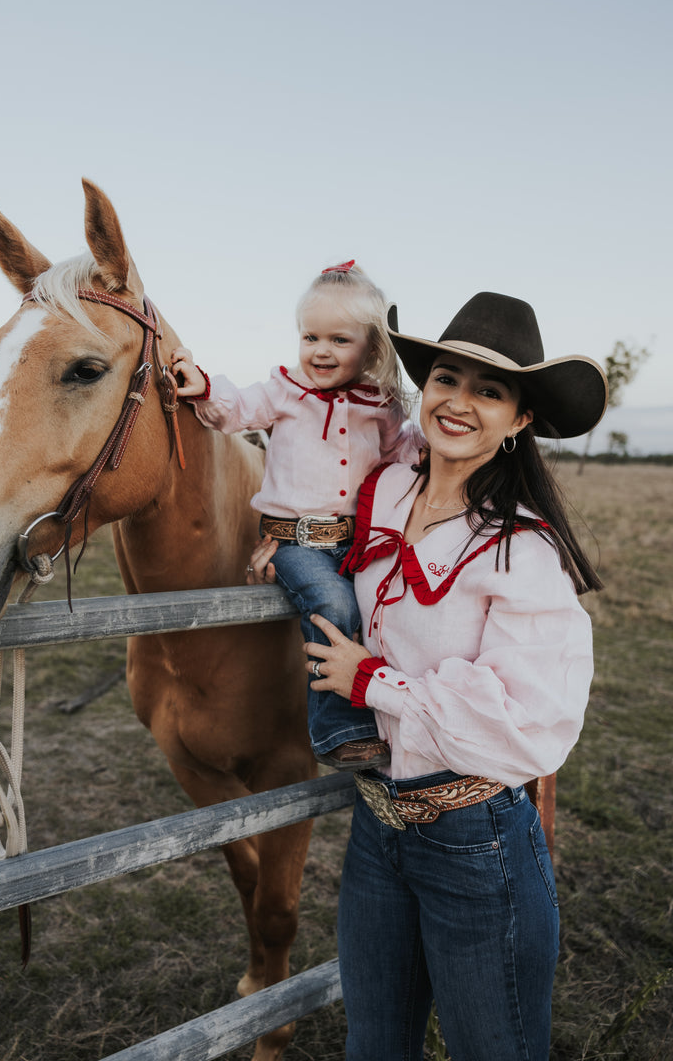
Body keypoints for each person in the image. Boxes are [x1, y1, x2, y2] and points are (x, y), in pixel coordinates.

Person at [246, 291, 608, 1060]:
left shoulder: (522, 551)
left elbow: (530, 718)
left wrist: (371, 682)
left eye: (491, 391)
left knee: (494, 1051)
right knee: (374, 1045)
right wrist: (284, 539)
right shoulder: (391, 486)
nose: (461, 402)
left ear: (521, 421)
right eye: (447, 378)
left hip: (475, 839)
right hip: (378, 824)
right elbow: (316, 460)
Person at [171, 261, 422, 770]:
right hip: (295, 543)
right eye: (310, 337)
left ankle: (393, 718)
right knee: (335, 607)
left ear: (372, 348)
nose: (320, 351)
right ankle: (337, 732)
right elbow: (235, 409)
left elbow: (403, 454)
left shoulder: (382, 404)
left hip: (355, 542)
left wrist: (434, 448)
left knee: (386, 616)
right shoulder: (284, 391)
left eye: (339, 340)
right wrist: (201, 385)